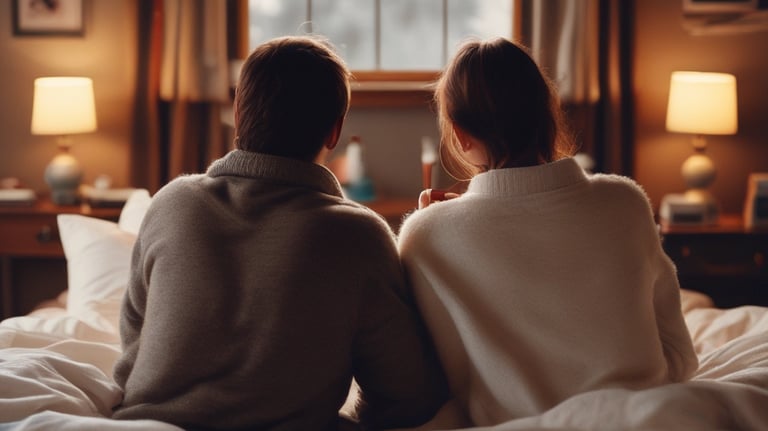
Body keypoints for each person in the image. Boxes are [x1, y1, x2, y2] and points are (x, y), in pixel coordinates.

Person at [112, 36, 447, 430]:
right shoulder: (357, 234)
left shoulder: (171, 201)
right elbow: (405, 397)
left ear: (239, 113)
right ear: (334, 131)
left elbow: (132, 350)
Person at [397, 37, 698, 427]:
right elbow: (681, 358)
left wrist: (437, 227)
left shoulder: (425, 236)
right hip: (644, 416)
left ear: (459, 133)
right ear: (548, 113)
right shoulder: (625, 201)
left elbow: (427, 377)